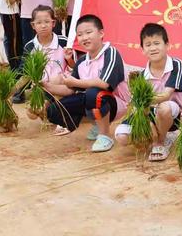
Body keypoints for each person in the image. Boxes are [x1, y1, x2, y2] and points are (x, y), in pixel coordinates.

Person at [46, 14, 125, 152]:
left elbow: (105, 84)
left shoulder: (111, 53)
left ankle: (105, 135)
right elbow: (70, 90)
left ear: (101, 33)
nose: (84, 37)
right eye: (80, 35)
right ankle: (95, 122)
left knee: (93, 94)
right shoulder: (82, 61)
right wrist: (45, 86)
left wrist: (76, 81)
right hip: (94, 99)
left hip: (116, 103)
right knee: (53, 110)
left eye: (89, 32)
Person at [115, 23, 182, 161]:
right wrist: (149, 123)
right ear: (142, 50)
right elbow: (140, 108)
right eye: (148, 45)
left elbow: (166, 95)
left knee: (164, 107)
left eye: (157, 43)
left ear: (167, 45)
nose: (153, 48)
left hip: (173, 115)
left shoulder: (176, 65)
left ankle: (160, 142)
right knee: (121, 136)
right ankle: (157, 134)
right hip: (149, 113)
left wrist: (143, 101)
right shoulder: (142, 75)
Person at [20, 5, 75, 135]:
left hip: (63, 86)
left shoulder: (63, 41)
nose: (43, 25)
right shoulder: (30, 46)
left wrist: (69, 59)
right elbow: (25, 73)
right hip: (42, 87)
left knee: (57, 79)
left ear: (53, 23)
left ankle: (62, 117)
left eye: (46, 22)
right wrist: (11, 92)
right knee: (32, 113)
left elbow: (75, 67)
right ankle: (49, 114)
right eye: (39, 23)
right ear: (33, 26)